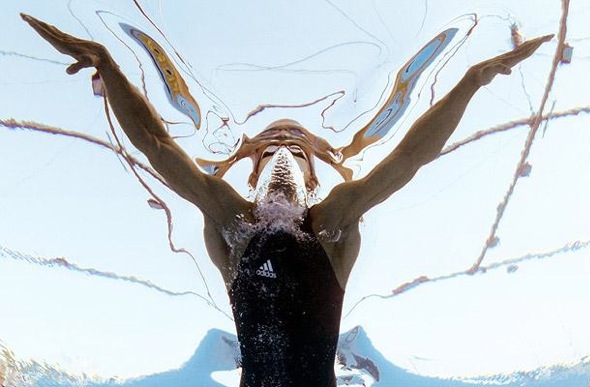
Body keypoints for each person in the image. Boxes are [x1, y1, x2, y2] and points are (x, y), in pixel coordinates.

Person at [21, 13, 551, 387]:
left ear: (311, 173)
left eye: (294, 147)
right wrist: (107, 65)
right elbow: (157, 145)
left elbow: (409, 157)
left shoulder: (333, 221)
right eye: (270, 145)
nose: (280, 154)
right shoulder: (231, 221)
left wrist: (471, 79)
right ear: (251, 170)